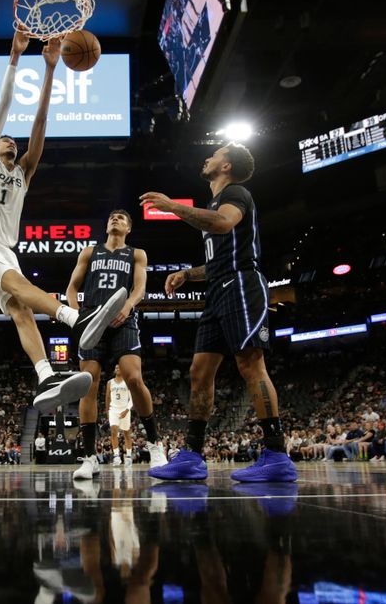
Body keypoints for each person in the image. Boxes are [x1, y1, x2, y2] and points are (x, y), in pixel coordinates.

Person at [0, 31, 127, 412]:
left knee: (21, 309)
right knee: (19, 288)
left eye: (13, 142)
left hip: (5, 248)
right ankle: (76, 320)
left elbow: (40, 121)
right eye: (5, 140)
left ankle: (45, 377)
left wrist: (50, 68)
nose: (11, 142)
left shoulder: (23, 173)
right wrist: (15, 58)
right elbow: (2, 109)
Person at [140, 144, 297, 483]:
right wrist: (187, 274)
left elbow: (224, 224)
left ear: (226, 165)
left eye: (215, 153)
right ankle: (192, 456)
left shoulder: (236, 193)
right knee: (199, 370)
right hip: (218, 287)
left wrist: (172, 207)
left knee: (250, 363)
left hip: (242, 283)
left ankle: (277, 453)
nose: (208, 157)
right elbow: (217, 258)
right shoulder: (215, 201)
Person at [66, 210, 167, 481]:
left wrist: (128, 306)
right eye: (112, 217)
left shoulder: (136, 254)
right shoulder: (90, 252)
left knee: (133, 377)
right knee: (88, 384)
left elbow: (139, 289)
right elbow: (71, 289)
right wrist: (77, 317)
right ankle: (89, 458)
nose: (116, 219)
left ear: (129, 228)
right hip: (92, 321)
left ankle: (156, 446)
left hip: (123, 321)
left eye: (122, 218)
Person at [107, 365, 134, 467]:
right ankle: (116, 456)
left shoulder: (128, 382)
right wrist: (107, 411)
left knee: (127, 433)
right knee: (113, 432)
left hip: (125, 409)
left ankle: (128, 457)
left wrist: (127, 410)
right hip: (113, 410)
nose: (117, 369)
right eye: (116, 367)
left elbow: (132, 398)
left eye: (120, 367)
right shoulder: (110, 382)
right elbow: (107, 398)